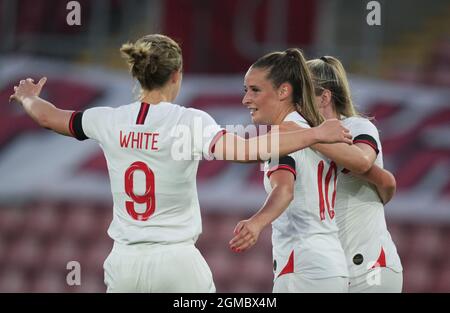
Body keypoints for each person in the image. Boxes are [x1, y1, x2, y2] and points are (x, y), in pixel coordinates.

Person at [8, 34, 352, 293]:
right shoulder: (188, 122)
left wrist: (28, 98)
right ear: (177, 76)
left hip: (124, 262)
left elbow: (50, 118)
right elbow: (248, 150)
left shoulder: (108, 120)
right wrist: (315, 134)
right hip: (175, 261)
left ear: (137, 75)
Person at [229, 48, 350, 292]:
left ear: (284, 91)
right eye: (245, 90)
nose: (246, 100)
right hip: (330, 261)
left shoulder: (285, 134)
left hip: (302, 264)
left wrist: (256, 223)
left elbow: (284, 190)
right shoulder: (310, 130)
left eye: (255, 90)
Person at [306, 56, 403, 292]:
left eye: (299, 94)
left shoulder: (357, 126)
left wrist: (306, 137)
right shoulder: (299, 138)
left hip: (370, 267)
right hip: (325, 271)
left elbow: (361, 161)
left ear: (324, 97)